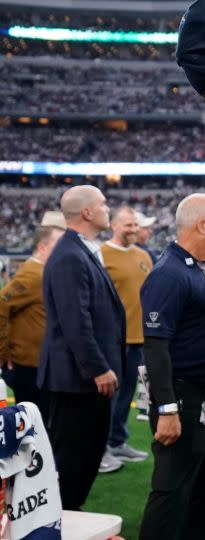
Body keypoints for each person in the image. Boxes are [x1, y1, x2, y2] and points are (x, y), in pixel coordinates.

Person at [139, 194, 205, 540]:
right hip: (182, 395)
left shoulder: (201, 267)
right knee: (172, 490)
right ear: (201, 225)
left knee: (203, 492)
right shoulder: (169, 274)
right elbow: (156, 345)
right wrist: (166, 407)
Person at [39, 185, 124, 511]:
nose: (107, 208)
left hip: (82, 379)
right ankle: (59, 526)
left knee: (83, 461)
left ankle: (67, 522)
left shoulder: (79, 250)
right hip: (77, 381)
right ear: (87, 212)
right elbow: (76, 322)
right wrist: (98, 368)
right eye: (103, 204)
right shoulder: (70, 255)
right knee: (73, 463)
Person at [100, 206, 153, 471]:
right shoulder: (101, 255)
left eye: (135, 225)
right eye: (127, 225)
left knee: (126, 395)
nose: (132, 229)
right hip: (112, 340)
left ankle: (118, 441)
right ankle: (101, 449)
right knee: (108, 396)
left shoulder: (143, 254)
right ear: (113, 225)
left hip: (139, 338)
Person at [0, 224, 64, 420]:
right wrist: (3, 351)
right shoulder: (32, 275)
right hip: (31, 365)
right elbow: (2, 306)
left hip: (40, 362)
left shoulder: (42, 271)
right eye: (59, 244)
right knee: (34, 424)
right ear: (43, 247)